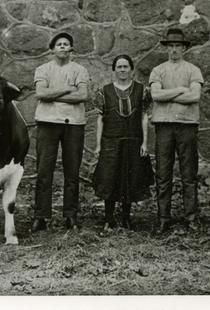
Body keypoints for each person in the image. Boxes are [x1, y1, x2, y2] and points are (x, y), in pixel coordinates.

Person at [31, 32, 90, 232]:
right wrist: (67, 89)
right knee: (44, 171)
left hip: (74, 123)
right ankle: (40, 216)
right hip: (47, 123)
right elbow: (40, 93)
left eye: (66, 44)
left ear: (71, 48)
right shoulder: (43, 69)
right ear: (53, 48)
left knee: (72, 172)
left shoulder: (80, 70)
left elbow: (83, 95)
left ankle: (71, 216)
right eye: (59, 44)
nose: (63, 47)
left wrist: (53, 95)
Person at [149, 27, 204, 235]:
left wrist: (169, 94)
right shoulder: (158, 70)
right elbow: (156, 95)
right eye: (170, 46)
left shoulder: (193, 70)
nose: (174, 50)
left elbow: (195, 97)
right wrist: (181, 90)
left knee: (188, 173)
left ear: (184, 49)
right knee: (163, 174)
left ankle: (191, 217)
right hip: (163, 125)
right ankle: (164, 218)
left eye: (178, 46)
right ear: (166, 48)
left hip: (187, 126)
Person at [92, 54, 154, 231]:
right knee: (109, 179)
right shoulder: (104, 91)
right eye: (119, 67)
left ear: (131, 70)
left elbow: (144, 117)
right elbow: (100, 119)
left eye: (125, 66)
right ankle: (108, 219)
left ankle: (126, 218)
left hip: (133, 142)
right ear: (114, 70)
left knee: (130, 178)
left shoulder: (142, 90)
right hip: (111, 142)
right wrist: (98, 145)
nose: (122, 70)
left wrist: (144, 144)